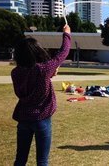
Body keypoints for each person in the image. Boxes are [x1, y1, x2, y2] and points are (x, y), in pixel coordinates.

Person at [12, 25, 71, 165]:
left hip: (23, 119)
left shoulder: (15, 72)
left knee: (20, 159)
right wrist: (66, 34)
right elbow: (63, 52)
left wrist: (48, 76)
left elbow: (29, 84)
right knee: (42, 161)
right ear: (36, 51)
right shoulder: (44, 69)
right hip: (41, 119)